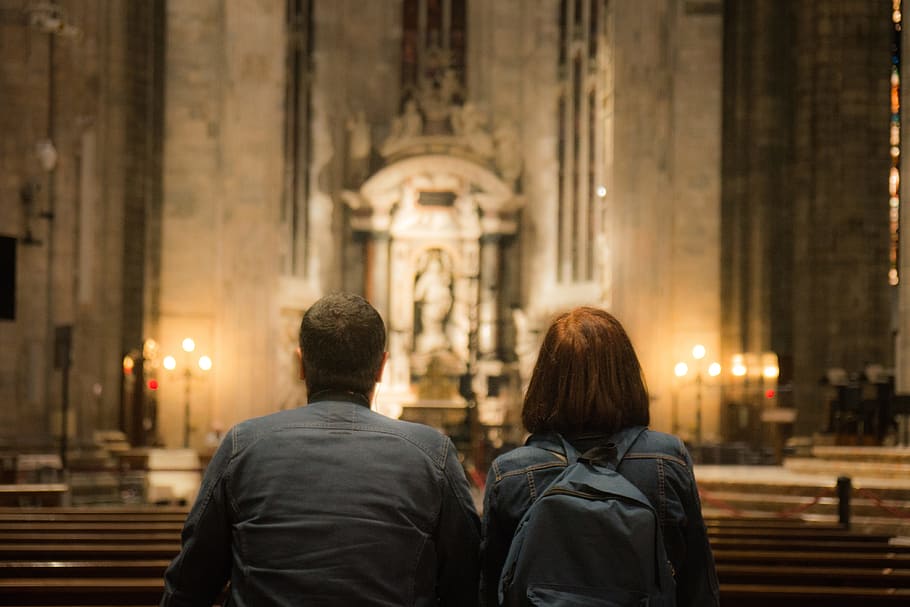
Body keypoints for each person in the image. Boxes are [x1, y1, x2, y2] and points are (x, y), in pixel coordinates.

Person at [160, 292, 481, 607]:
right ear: (382, 367)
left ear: (300, 364)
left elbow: (191, 583)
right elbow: (465, 582)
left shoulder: (242, 445)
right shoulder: (432, 453)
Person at [479, 306, 720, 606]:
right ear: (627, 375)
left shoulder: (511, 473)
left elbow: (489, 590)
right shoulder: (667, 459)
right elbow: (698, 586)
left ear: (544, 380)